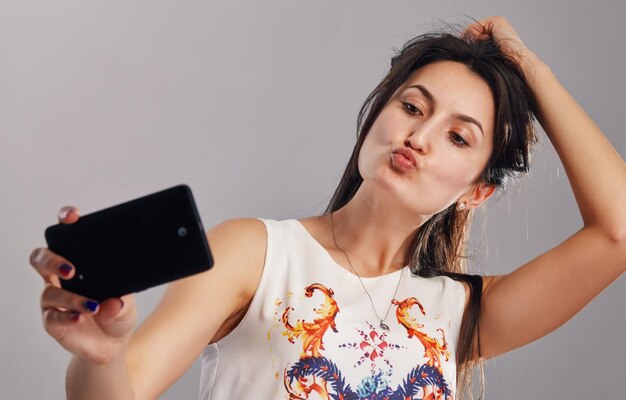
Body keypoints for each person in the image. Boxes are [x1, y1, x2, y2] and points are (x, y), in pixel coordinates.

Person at [29, 16, 625, 400]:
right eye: (413, 107)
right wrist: (101, 355)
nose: (418, 136)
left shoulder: (461, 312)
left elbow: (617, 233)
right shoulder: (256, 254)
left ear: (476, 191)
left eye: (459, 136)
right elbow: (121, 391)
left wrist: (532, 72)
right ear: (378, 115)